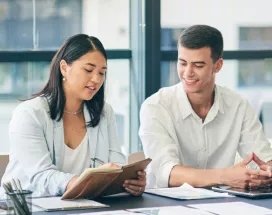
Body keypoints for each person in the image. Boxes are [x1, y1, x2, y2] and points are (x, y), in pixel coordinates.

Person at [0, 34, 146, 198]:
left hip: (82, 205)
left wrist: (127, 182)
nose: (96, 79)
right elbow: (41, 175)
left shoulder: (105, 113)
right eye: (88, 70)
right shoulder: (29, 113)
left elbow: (116, 165)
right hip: (29, 206)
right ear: (64, 68)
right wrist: (84, 183)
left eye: (102, 73)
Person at [139, 25, 272, 189]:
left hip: (224, 205)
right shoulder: (156, 107)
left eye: (198, 65)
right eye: (182, 63)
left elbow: (264, 159)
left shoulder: (238, 106)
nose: (188, 72)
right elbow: (168, 173)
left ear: (217, 66)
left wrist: (266, 172)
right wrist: (225, 177)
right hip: (168, 206)